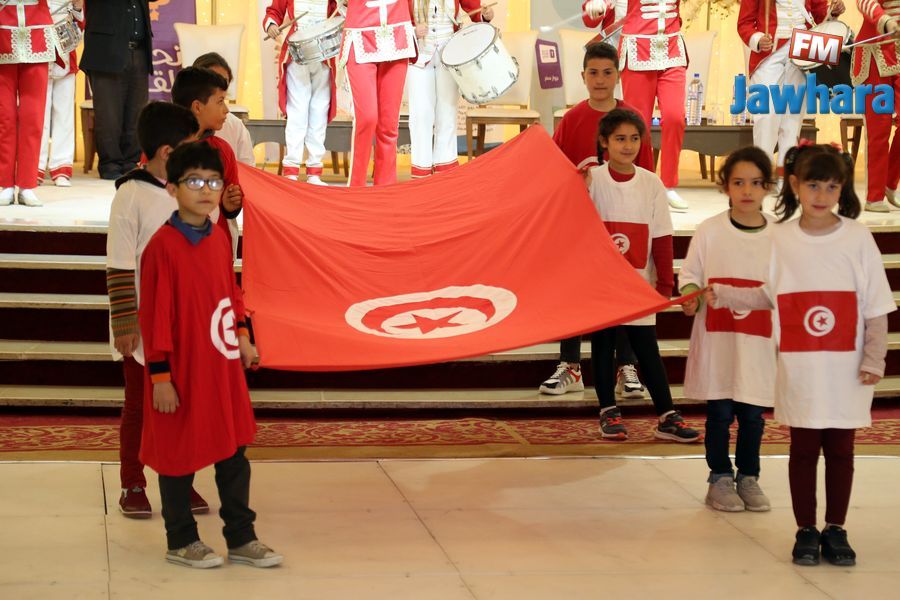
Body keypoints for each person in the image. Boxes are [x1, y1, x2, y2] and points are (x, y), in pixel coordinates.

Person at [707, 143, 894, 566]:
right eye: (813, 185)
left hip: (846, 368)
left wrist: (874, 359)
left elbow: (876, 306)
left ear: (842, 189)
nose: (821, 195)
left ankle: (836, 527)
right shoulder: (781, 238)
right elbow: (769, 294)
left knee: (841, 450)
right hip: (801, 367)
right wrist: (726, 294)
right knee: (804, 449)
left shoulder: (858, 238)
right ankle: (806, 529)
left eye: (831, 187)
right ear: (795, 184)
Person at [140, 141, 282, 569]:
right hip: (181, 368)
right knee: (178, 454)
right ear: (172, 188)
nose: (206, 191)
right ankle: (181, 539)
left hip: (221, 364)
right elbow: (155, 315)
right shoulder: (162, 247)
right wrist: (160, 376)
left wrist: (242, 335)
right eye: (194, 182)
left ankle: (241, 536)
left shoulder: (219, 238)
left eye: (214, 182)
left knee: (233, 450)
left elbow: (230, 293)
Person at [107, 101, 209, 518]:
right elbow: (119, 264)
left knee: (181, 407)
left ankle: (180, 478)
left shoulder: (188, 192)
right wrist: (124, 323)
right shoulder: (130, 195)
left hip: (185, 323)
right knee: (139, 406)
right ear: (168, 152)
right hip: (143, 326)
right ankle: (133, 480)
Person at [539, 42, 652, 398]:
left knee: (623, 290)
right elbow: (554, 167)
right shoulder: (572, 119)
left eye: (607, 72)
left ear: (618, 76)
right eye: (593, 73)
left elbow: (646, 173)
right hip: (580, 223)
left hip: (624, 222)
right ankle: (570, 365)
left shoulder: (632, 118)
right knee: (573, 289)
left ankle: (627, 366)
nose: (600, 80)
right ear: (583, 76)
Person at [586, 109, 700, 443]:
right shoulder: (593, 180)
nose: (628, 145)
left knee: (646, 349)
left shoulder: (651, 184)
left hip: (640, 284)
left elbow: (662, 236)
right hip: (602, 284)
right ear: (604, 142)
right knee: (604, 346)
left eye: (635, 138)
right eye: (620, 138)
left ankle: (667, 416)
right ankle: (608, 411)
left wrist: (664, 284)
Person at [679, 146, 776, 512]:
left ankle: (748, 476)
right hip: (718, 338)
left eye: (755, 183)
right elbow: (690, 275)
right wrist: (692, 296)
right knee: (719, 413)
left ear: (768, 187)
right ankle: (719, 476)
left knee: (752, 414)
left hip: (758, 341)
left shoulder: (779, 235)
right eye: (738, 183)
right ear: (725, 186)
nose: (747, 191)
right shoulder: (710, 231)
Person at [582, 0, 690, 211]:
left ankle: (668, 185)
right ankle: (639, 182)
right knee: (638, 125)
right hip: (637, 50)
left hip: (671, 49)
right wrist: (597, 5)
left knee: (675, 117)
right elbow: (592, 14)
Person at [737, 0, 838, 194]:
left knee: (792, 117)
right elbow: (744, 23)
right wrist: (757, 39)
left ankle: (785, 176)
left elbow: (820, 16)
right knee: (766, 114)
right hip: (768, 54)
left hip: (803, 48)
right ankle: (762, 174)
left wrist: (832, 13)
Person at [407, 0, 492, 178]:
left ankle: (445, 171)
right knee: (420, 115)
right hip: (419, 55)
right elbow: (397, 16)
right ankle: (421, 171)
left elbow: (474, 7)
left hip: (449, 53)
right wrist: (412, 30)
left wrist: (484, 15)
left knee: (447, 112)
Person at [338, 0, 416, 186]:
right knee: (367, 117)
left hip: (397, 34)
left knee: (388, 124)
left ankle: (385, 190)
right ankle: (356, 188)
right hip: (360, 35)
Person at [171, 67, 244, 255]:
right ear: (197, 107)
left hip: (214, 252)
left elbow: (230, 206)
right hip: (173, 251)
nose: (226, 110)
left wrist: (230, 206)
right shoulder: (163, 150)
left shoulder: (223, 150)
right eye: (220, 101)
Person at [79, 0, 154, 180]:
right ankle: (110, 164)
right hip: (106, 48)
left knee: (136, 112)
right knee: (109, 114)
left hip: (139, 49)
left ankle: (131, 162)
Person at [264, 0, 337, 185]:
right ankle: (291, 170)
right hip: (297, 54)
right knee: (297, 113)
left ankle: (314, 172)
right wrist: (271, 25)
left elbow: (341, 11)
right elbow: (274, 11)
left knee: (319, 113)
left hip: (324, 55)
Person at [0, 0, 64, 207]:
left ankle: (27, 184)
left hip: (37, 33)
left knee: (33, 117)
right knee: (5, 117)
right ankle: (5, 184)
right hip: (2, 31)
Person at [852, 0, 900, 212]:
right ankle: (875, 196)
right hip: (875, 54)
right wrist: (885, 20)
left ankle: (889, 183)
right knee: (878, 129)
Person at [38, 0, 85, 188]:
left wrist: (78, 6)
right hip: (38, 42)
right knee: (38, 113)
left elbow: (79, 18)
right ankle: (35, 166)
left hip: (65, 43)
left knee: (64, 113)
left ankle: (61, 167)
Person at [192, 53, 255, 168]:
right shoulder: (173, 128)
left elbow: (248, 170)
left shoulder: (235, 125)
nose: (219, 87)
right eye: (213, 81)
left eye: (224, 82)